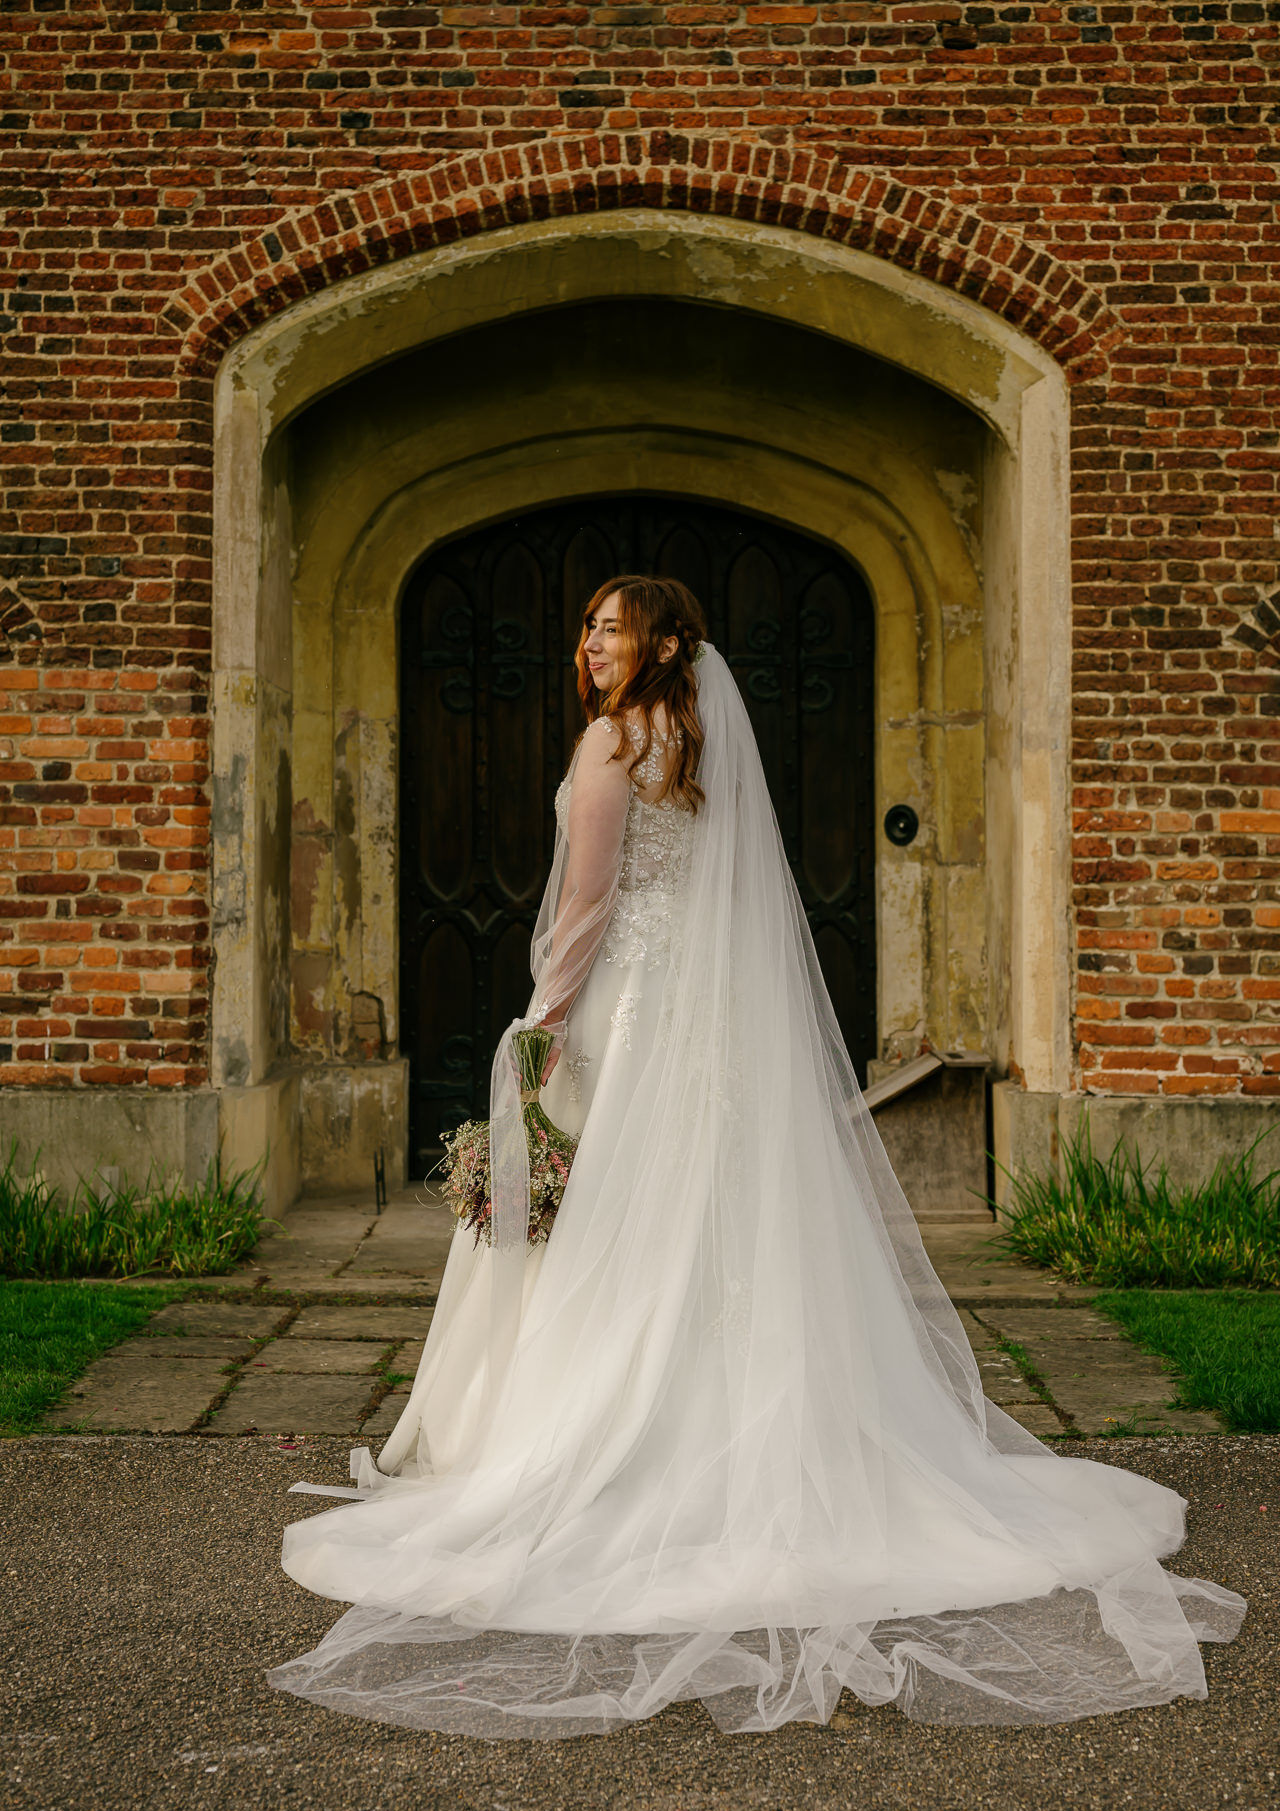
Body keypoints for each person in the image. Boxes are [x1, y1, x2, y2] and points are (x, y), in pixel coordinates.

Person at [268, 575, 1244, 1739]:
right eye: (582, 625)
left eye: (610, 628)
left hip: (633, 1019)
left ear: (664, 642)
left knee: (630, 1230)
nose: (587, 644)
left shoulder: (605, 747)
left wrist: (543, 1023)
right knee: (722, 1222)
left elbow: (583, 906)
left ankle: (616, 1444)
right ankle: (746, 1433)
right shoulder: (692, 742)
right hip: (717, 1028)